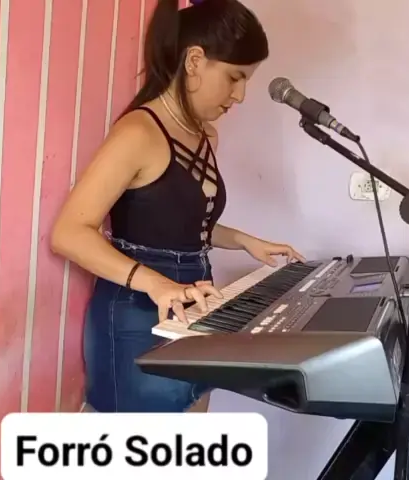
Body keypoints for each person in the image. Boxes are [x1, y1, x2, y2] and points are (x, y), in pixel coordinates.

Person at [50, 0, 304, 414]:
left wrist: (245, 241)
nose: (240, 96)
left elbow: (177, 219)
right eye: (235, 77)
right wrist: (156, 283)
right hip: (136, 313)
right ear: (195, 61)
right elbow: (69, 233)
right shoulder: (138, 132)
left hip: (197, 300)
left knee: (192, 433)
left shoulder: (206, 136)